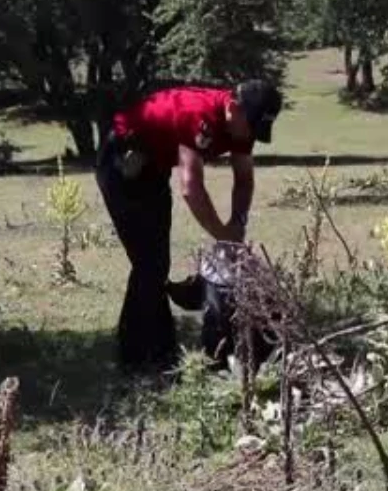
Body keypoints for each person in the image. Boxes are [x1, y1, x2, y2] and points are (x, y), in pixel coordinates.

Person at [95, 80, 283, 375]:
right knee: (149, 263)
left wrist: (238, 223)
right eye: (251, 126)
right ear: (234, 108)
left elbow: (244, 178)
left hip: (152, 170)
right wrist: (223, 236)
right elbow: (191, 188)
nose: (251, 135)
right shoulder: (199, 115)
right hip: (120, 163)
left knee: (155, 262)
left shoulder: (242, 127)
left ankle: (158, 349)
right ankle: (138, 358)